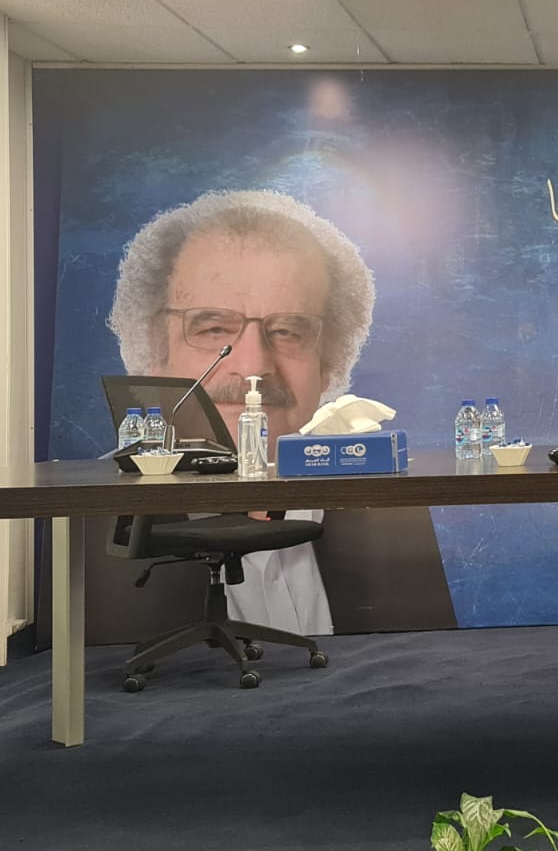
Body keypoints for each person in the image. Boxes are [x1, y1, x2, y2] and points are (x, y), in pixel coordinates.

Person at [100, 189, 456, 637]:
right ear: (154, 353)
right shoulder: (100, 518)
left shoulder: (384, 509)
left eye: (288, 331)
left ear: (329, 364)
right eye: (213, 328)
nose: (253, 366)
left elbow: (423, 660)